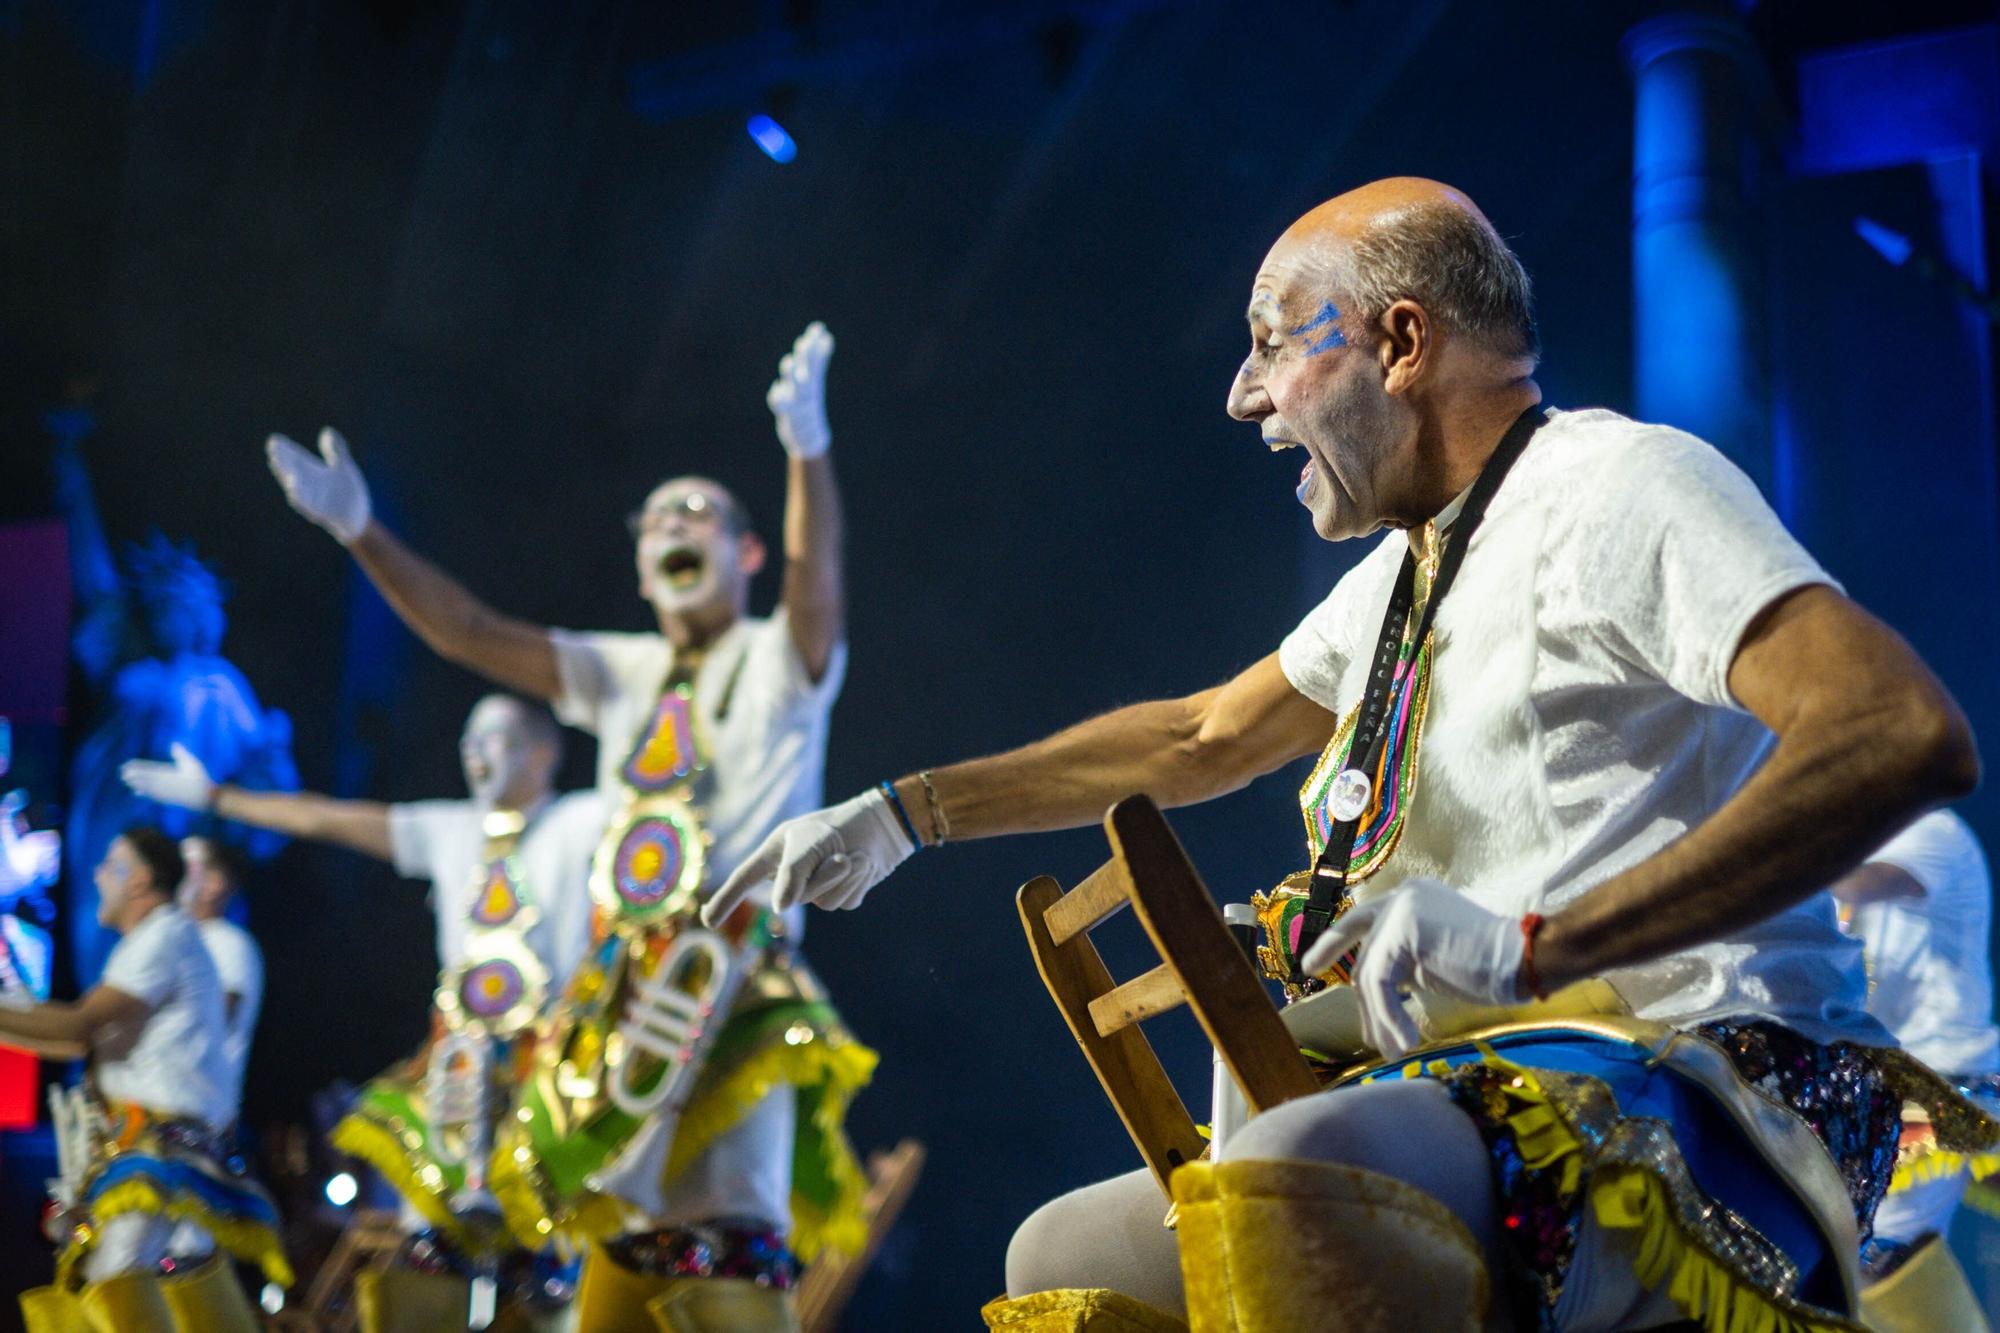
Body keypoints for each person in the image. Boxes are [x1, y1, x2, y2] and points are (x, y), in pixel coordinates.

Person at [705, 181, 1988, 1332]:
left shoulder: (1618, 486)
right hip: (1486, 1073)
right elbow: (1201, 735)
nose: (1242, 392)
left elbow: (1895, 731)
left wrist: (1543, 944)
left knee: (1292, 1170)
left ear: (1400, 342)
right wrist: (901, 809)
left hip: (1711, 1075)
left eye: (1272, 341)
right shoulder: (1400, 571)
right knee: (1058, 1251)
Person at [262, 323, 875, 1330]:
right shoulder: (617, 669)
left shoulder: (780, 663)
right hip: (615, 1005)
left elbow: (821, 586)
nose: (673, 526)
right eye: (655, 520)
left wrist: (806, 447)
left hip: (732, 991)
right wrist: (360, 530)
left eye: (701, 514)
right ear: (640, 567)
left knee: (724, 1230)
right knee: (612, 1246)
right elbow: (468, 632)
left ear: (747, 552)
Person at [124, 695, 599, 1330]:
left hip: (548, 1074)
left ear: (545, 753)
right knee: (429, 1243)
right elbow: (326, 817)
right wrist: (217, 797)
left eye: (495, 738)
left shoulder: (582, 821)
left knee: (556, 1260)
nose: (473, 752)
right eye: (468, 739)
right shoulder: (450, 829)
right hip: (459, 1074)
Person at [8, 828, 287, 1333]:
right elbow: (79, 1041)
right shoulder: (157, 940)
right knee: (168, 1275)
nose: (96, 874)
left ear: (138, 880)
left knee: (114, 1276)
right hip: (163, 1143)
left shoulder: (170, 936)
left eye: (110, 863)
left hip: (165, 1147)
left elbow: (79, 1025)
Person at [1831, 809, 2000, 1275]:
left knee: (1868, 1258)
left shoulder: (1931, 829)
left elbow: (1858, 886)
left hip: (1939, 1091)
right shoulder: (1838, 843)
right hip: (1870, 1087)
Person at [176, 834, 264, 1115]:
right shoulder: (180, 940)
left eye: (185, 865)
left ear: (215, 883)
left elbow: (212, 1018)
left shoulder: (228, 943)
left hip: (196, 1116)